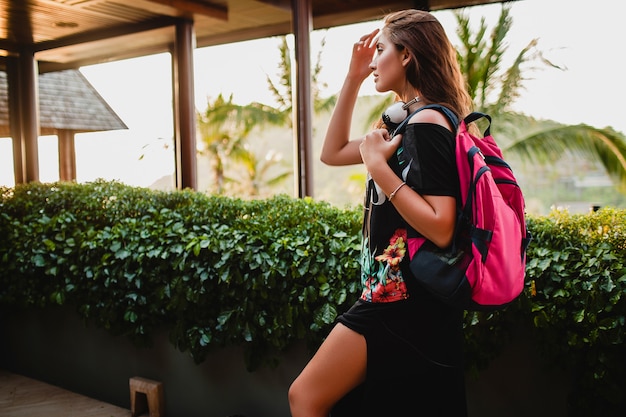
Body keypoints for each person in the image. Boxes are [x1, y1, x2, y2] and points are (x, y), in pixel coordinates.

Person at [288, 9, 472, 417]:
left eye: (381, 50)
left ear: (406, 54)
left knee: (305, 396)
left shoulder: (426, 122)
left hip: (403, 301)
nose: (372, 61)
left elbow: (441, 226)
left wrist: (378, 169)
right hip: (394, 296)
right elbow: (332, 152)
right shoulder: (407, 120)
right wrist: (352, 79)